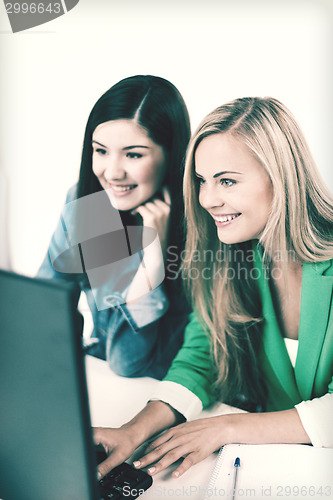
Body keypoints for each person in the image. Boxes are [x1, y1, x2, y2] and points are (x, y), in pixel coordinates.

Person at [93, 96, 333, 480]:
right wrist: (133, 431)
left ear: (282, 177)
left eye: (227, 181)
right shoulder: (232, 256)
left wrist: (227, 429)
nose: (206, 199)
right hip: (278, 468)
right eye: (203, 181)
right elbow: (201, 358)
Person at [38, 75, 191, 379]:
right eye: (101, 151)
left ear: (171, 153)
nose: (112, 172)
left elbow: (128, 361)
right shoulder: (87, 204)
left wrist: (153, 258)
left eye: (133, 154)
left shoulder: (206, 221)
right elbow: (45, 308)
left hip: (173, 395)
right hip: (106, 384)